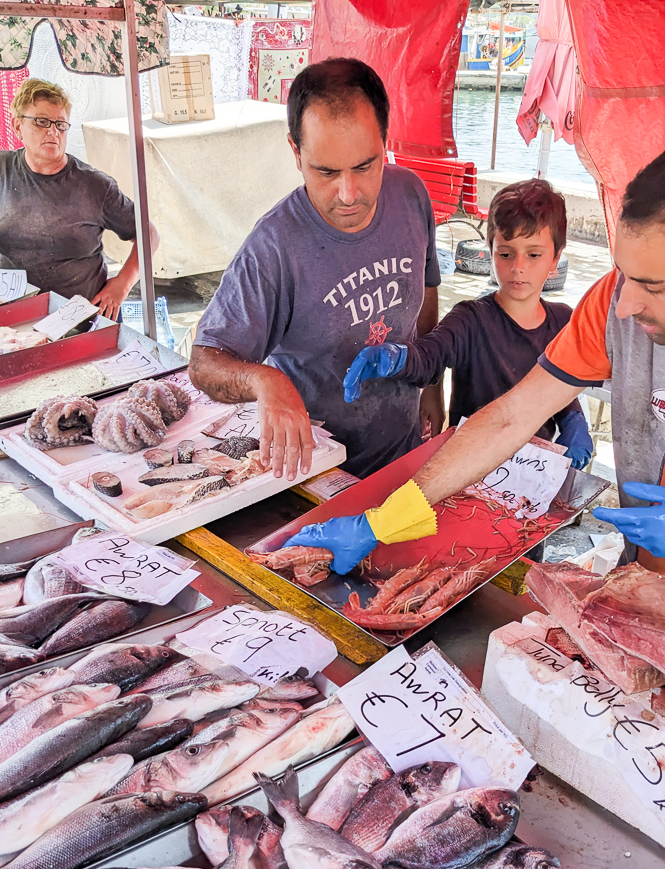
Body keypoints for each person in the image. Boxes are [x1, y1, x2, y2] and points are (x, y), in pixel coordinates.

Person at [283, 151, 665, 574]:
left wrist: (572, 421)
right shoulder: (607, 307)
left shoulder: (561, 316)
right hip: (637, 568)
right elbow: (510, 417)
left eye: (654, 287)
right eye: (622, 275)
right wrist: (380, 522)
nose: (624, 306)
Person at [189, 57, 441, 483]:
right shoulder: (275, 246)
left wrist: (432, 385)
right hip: (316, 474)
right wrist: (265, 381)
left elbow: (427, 292)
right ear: (296, 152)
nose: (348, 194)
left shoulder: (411, 194)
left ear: (385, 141)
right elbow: (203, 363)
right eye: (326, 171)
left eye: (365, 166)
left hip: (403, 452)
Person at [343, 177, 592, 468]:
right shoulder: (470, 319)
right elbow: (429, 356)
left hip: (531, 472)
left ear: (556, 258)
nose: (518, 267)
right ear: (490, 249)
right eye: (506, 253)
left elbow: (558, 387)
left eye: (534, 254)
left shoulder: (563, 322)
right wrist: (398, 357)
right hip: (465, 469)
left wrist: (573, 417)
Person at [0, 78, 159, 320]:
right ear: (17, 126)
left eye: (60, 124)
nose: (53, 132)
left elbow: (148, 235)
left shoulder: (95, 186)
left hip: (81, 318)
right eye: (41, 122)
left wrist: (122, 284)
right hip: (13, 313)